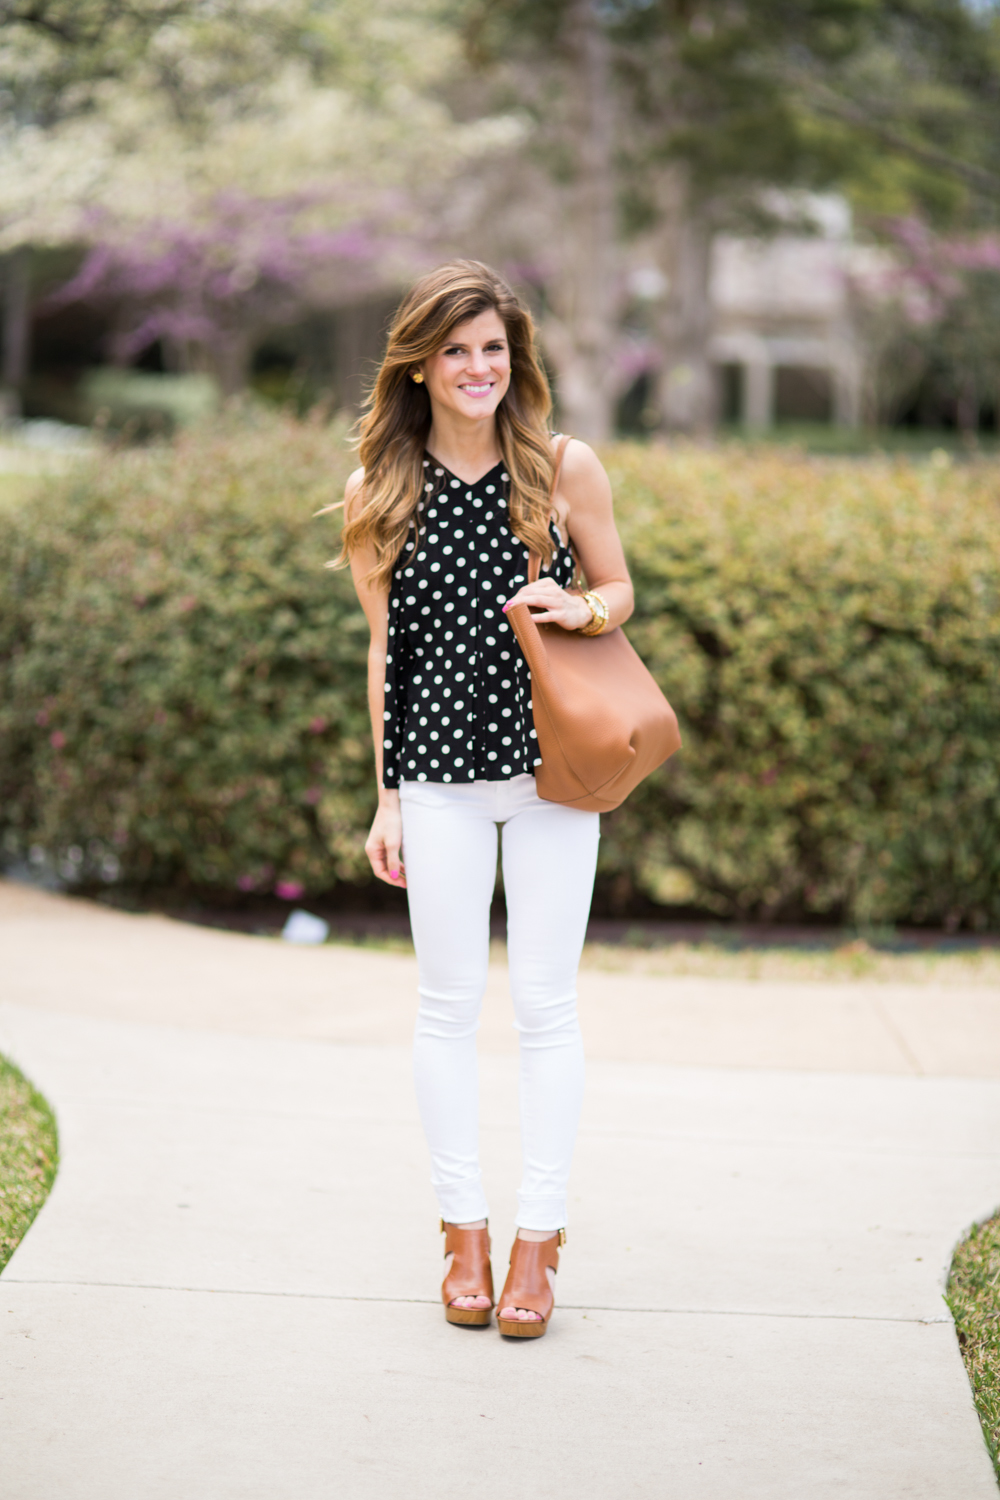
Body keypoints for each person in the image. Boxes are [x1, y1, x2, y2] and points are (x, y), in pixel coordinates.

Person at [339, 259, 633, 1338]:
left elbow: (619, 586)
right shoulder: (382, 492)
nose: (477, 369)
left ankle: (537, 1246)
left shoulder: (562, 467)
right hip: (440, 785)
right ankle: (461, 1232)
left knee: (547, 1006)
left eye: (493, 350)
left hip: (555, 776)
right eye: (456, 350)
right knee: (446, 1007)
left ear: (516, 361)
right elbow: (385, 653)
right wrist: (386, 799)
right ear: (418, 365)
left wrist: (580, 609)